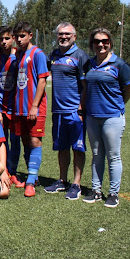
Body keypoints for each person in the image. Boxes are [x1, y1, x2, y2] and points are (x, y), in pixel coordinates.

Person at [82, 28, 130, 208]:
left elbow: (129, 89)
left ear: (110, 43)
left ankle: (113, 194)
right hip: (92, 117)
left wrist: (118, 106)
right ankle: (96, 190)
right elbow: (85, 90)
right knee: (96, 155)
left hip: (112, 118)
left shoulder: (119, 65)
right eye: (96, 41)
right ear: (92, 44)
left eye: (104, 41)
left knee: (113, 156)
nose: (100, 44)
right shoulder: (89, 65)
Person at [44, 22, 89, 200]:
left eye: (67, 34)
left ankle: (76, 184)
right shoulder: (53, 55)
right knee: (61, 147)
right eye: (60, 34)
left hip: (75, 111)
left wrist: (81, 109)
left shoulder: (80, 56)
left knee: (77, 148)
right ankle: (62, 180)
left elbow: (86, 86)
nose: (63, 37)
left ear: (74, 37)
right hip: (58, 111)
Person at [11, 21, 49, 197]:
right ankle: (31, 177)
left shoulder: (37, 54)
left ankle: (31, 182)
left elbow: (42, 80)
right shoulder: (18, 54)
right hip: (19, 108)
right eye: (16, 36)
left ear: (30, 35)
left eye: (22, 36)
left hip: (34, 107)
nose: (19, 39)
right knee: (26, 141)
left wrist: (34, 105)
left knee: (34, 141)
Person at [0, 26, 23, 188]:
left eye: (7, 38)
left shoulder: (19, 55)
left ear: (13, 39)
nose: (4, 42)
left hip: (16, 105)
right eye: (1, 39)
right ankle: (1, 169)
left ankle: (13, 171)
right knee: (0, 139)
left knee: (15, 140)